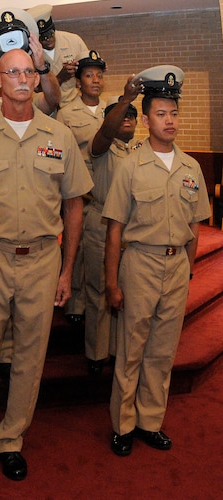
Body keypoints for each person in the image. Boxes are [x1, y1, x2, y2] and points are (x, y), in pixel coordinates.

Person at [0, 48, 92, 482]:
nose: (22, 79)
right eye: (12, 72)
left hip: (42, 260)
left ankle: (11, 440)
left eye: (29, 71)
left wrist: (66, 271)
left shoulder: (59, 135)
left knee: (31, 356)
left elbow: (75, 206)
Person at [104, 65, 209, 456]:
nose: (169, 121)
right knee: (131, 349)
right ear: (146, 119)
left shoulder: (191, 168)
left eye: (174, 113)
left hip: (176, 266)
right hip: (141, 265)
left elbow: (196, 228)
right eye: (161, 114)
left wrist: (188, 269)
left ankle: (150, 421)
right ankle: (123, 425)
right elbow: (114, 229)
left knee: (162, 351)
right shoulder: (130, 165)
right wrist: (112, 282)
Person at [84, 83, 142, 375]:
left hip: (129, 228)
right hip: (103, 222)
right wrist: (126, 98)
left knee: (124, 290)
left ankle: (119, 350)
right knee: (98, 291)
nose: (127, 118)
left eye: (132, 114)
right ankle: (96, 354)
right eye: (122, 114)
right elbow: (106, 133)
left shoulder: (140, 153)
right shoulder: (102, 148)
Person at [56, 50, 108, 327]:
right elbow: (62, 155)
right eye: (89, 75)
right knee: (75, 247)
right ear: (78, 82)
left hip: (107, 190)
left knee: (100, 252)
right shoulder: (66, 113)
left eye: (99, 76)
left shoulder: (111, 111)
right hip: (78, 191)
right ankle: (75, 300)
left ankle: (97, 302)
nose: (95, 81)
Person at [27, 4, 89, 109]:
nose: (48, 39)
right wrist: (60, 78)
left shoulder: (73, 41)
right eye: (43, 38)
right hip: (47, 111)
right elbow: (34, 88)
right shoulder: (28, 53)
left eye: (51, 34)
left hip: (74, 108)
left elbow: (89, 71)